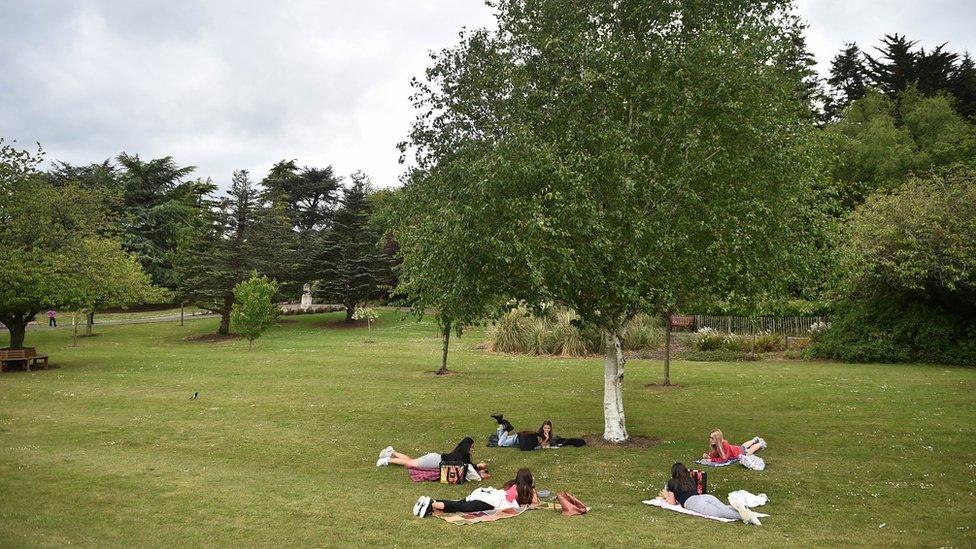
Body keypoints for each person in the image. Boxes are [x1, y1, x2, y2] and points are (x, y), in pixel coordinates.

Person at [659, 462, 762, 525]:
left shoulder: (672, 482)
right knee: (724, 508)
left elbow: (672, 502)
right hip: (705, 497)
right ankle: (741, 510)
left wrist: (666, 495)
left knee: (720, 513)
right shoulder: (689, 479)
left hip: (692, 502)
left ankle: (746, 517)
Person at [413, 467, 538, 517]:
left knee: (460, 503)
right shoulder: (526, 490)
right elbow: (535, 502)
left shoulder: (512, 484)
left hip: (485, 493)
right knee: (461, 507)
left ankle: (431, 502)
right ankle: (431, 504)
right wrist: (533, 487)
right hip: (490, 500)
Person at [376, 437, 487, 473]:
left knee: (412, 460)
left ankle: (391, 452)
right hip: (434, 461)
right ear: (466, 447)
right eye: (471, 447)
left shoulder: (461, 454)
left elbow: (469, 466)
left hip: (435, 458)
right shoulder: (461, 456)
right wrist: (478, 468)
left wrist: (478, 466)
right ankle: (386, 460)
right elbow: (467, 468)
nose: (473, 449)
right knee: (410, 463)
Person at [491, 415, 555, 450]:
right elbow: (538, 446)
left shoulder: (549, 437)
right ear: (542, 427)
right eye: (545, 428)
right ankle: (508, 429)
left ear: (550, 428)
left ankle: (501, 422)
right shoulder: (540, 434)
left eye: (548, 428)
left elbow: (540, 446)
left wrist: (547, 438)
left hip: (519, 437)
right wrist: (545, 439)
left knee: (500, 438)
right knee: (500, 443)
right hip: (518, 439)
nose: (546, 429)